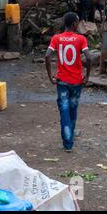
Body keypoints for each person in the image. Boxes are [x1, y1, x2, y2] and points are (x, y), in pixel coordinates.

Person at [45, 13, 92, 152]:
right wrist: (87, 76)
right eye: (77, 22)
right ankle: (70, 135)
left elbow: (47, 56)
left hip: (62, 81)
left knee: (64, 111)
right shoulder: (81, 39)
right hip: (77, 81)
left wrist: (50, 76)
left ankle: (68, 142)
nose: (78, 25)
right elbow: (89, 58)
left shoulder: (56, 38)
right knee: (73, 109)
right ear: (73, 24)